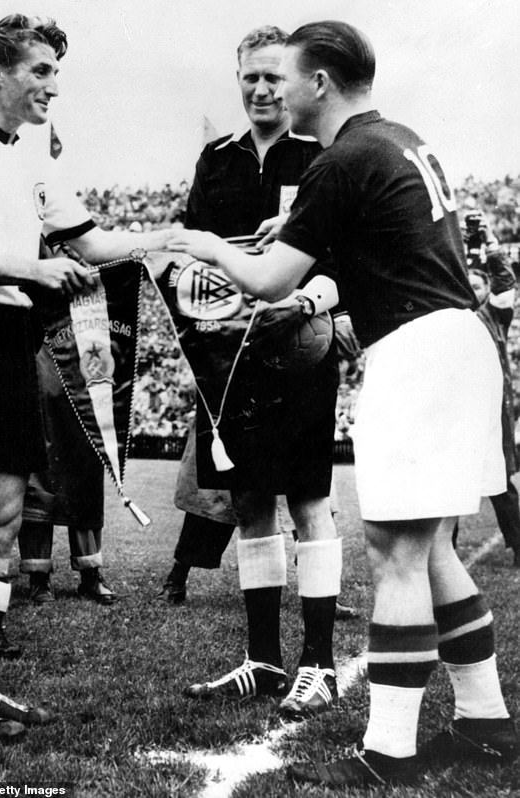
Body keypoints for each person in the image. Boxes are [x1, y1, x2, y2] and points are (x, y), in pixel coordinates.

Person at [167, 20, 517, 787]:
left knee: (396, 553)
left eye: (286, 77)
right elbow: (373, 240)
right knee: (432, 551)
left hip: (417, 353)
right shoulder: (396, 138)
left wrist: (207, 245)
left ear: (319, 82)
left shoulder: (340, 157)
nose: (277, 91)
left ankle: (389, 749)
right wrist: (290, 229)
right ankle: (486, 720)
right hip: (459, 345)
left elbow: (267, 283)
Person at [0, 13, 169, 743]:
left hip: (7, 339)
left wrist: (175, 237)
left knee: (2, 523)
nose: (53, 86)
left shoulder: (34, 154)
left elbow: (93, 241)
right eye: (40, 70)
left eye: (56, 72)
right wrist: (30, 268)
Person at [160, 26, 345, 722]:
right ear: (236, 79)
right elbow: (190, 247)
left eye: (275, 77)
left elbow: (341, 253)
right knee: (248, 502)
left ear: (296, 79)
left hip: (297, 340)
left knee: (306, 498)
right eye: (251, 78)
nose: (263, 90)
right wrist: (185, 282)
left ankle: (320, 664)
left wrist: (307, 299)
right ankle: (263, 660)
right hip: (224, 351)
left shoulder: (324, 153)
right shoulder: (217, 159)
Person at [18, 345, 117, 606]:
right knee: (38, 473)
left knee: (85, 470)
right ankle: (38, 576)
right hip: (40, 349)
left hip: (81, 347)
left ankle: (90, 573)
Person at [461, 216, 520, 566]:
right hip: (459, 406)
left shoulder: (495, 315)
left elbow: (504, 279)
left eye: (480, 286)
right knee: (447, 478)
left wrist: (489, 243)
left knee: (499, 483)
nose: (475, 291)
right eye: (468, 285)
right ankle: (441, 551)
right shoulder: (452, 312)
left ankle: (518, 544)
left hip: (492, 408)